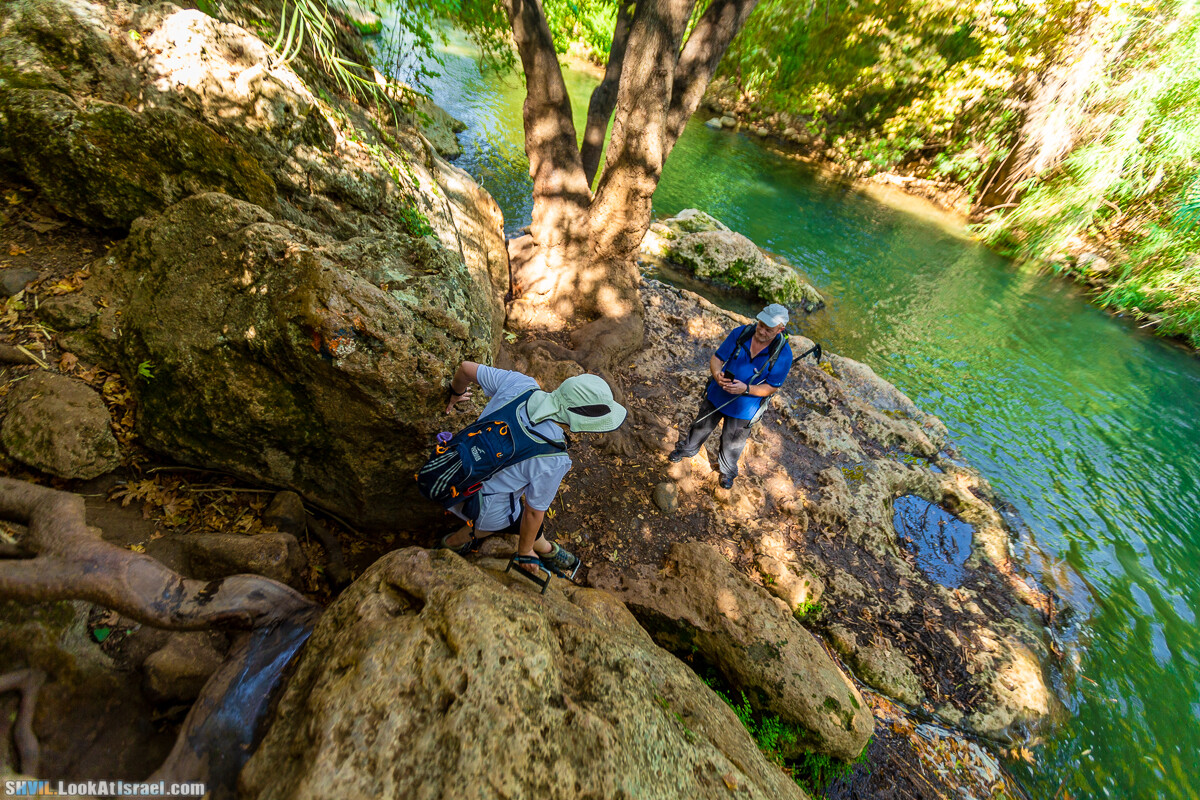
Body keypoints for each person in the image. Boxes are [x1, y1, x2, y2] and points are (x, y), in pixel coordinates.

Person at [439, 361, 627, 580]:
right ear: (582, 421)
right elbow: (534, 512)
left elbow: (465, 368)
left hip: (451, 467)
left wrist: (455, 393)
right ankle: (451, 543)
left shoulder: (520, 383)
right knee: (509, 521)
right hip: (477, 502)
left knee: (523, 518)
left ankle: (545, 547)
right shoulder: (553, 457)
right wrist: (524, 551)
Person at [668, 304, 795, 489]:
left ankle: (727, 471)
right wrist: (717, 373)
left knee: (734, 440)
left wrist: (745, 389)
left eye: (769, 329)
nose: (762, 331)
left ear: (780, 329)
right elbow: (717, 358)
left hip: (746, 407)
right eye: (760, 325)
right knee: (701, 424)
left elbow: (771, 388)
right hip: (719, 392)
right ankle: (687, 449)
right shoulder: (741, 333)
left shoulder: (784, 355)